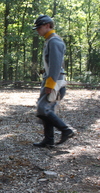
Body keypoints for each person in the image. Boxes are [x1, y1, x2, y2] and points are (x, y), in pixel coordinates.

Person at [32, 15, 75, 148]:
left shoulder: (54, 41)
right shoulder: (50, 40)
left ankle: (66, 130)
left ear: (47, 25)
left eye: (39, 27)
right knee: (45, 109)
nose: (38, 30)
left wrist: (50, 84)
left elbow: (56, 65)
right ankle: (49, 139)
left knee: (43, 108)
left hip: (54, 81)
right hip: (51, 78)